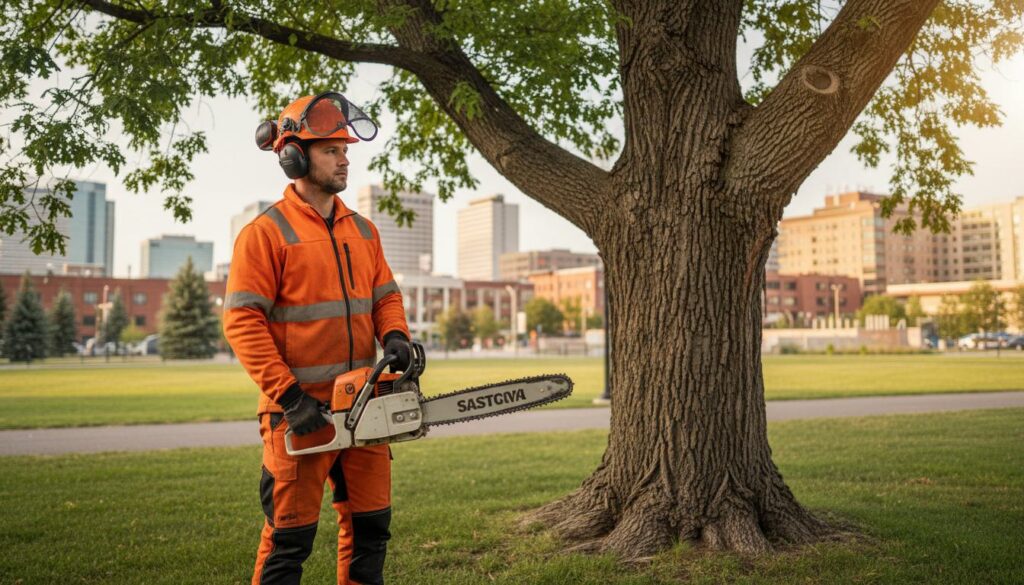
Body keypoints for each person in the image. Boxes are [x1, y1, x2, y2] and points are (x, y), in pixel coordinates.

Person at [223, 91, 412, 585]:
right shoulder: (265, 233)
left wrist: (395, 335)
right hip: (299, 412)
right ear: (295, 157)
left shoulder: (363, 230)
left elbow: (385, 296)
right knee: (289, 541)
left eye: (345, 150)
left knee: (371, 531)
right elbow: (242, 321)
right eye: (332, 150)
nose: (345, 159)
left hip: (362, 402)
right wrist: (289, 397)